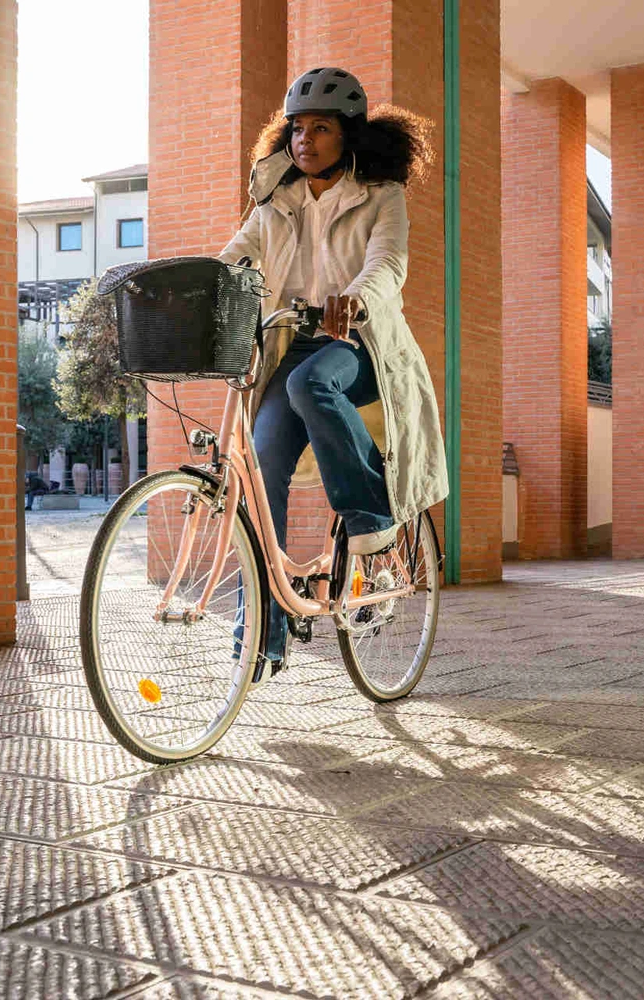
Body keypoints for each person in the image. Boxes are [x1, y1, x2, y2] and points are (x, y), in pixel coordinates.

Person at [219, 66, 448, 672]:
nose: (304, 140)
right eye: (296, 129)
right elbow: (234, 260)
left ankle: (372, 524)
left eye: (319, 128)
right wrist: (195, 289)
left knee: (308, 382)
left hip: (359, 345)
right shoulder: (275, 200)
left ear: (348, 134)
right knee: (260, 474)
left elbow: (388, 262)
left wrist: (357, 296)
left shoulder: (380, 194)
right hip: (291, 345)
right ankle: (263, 628)